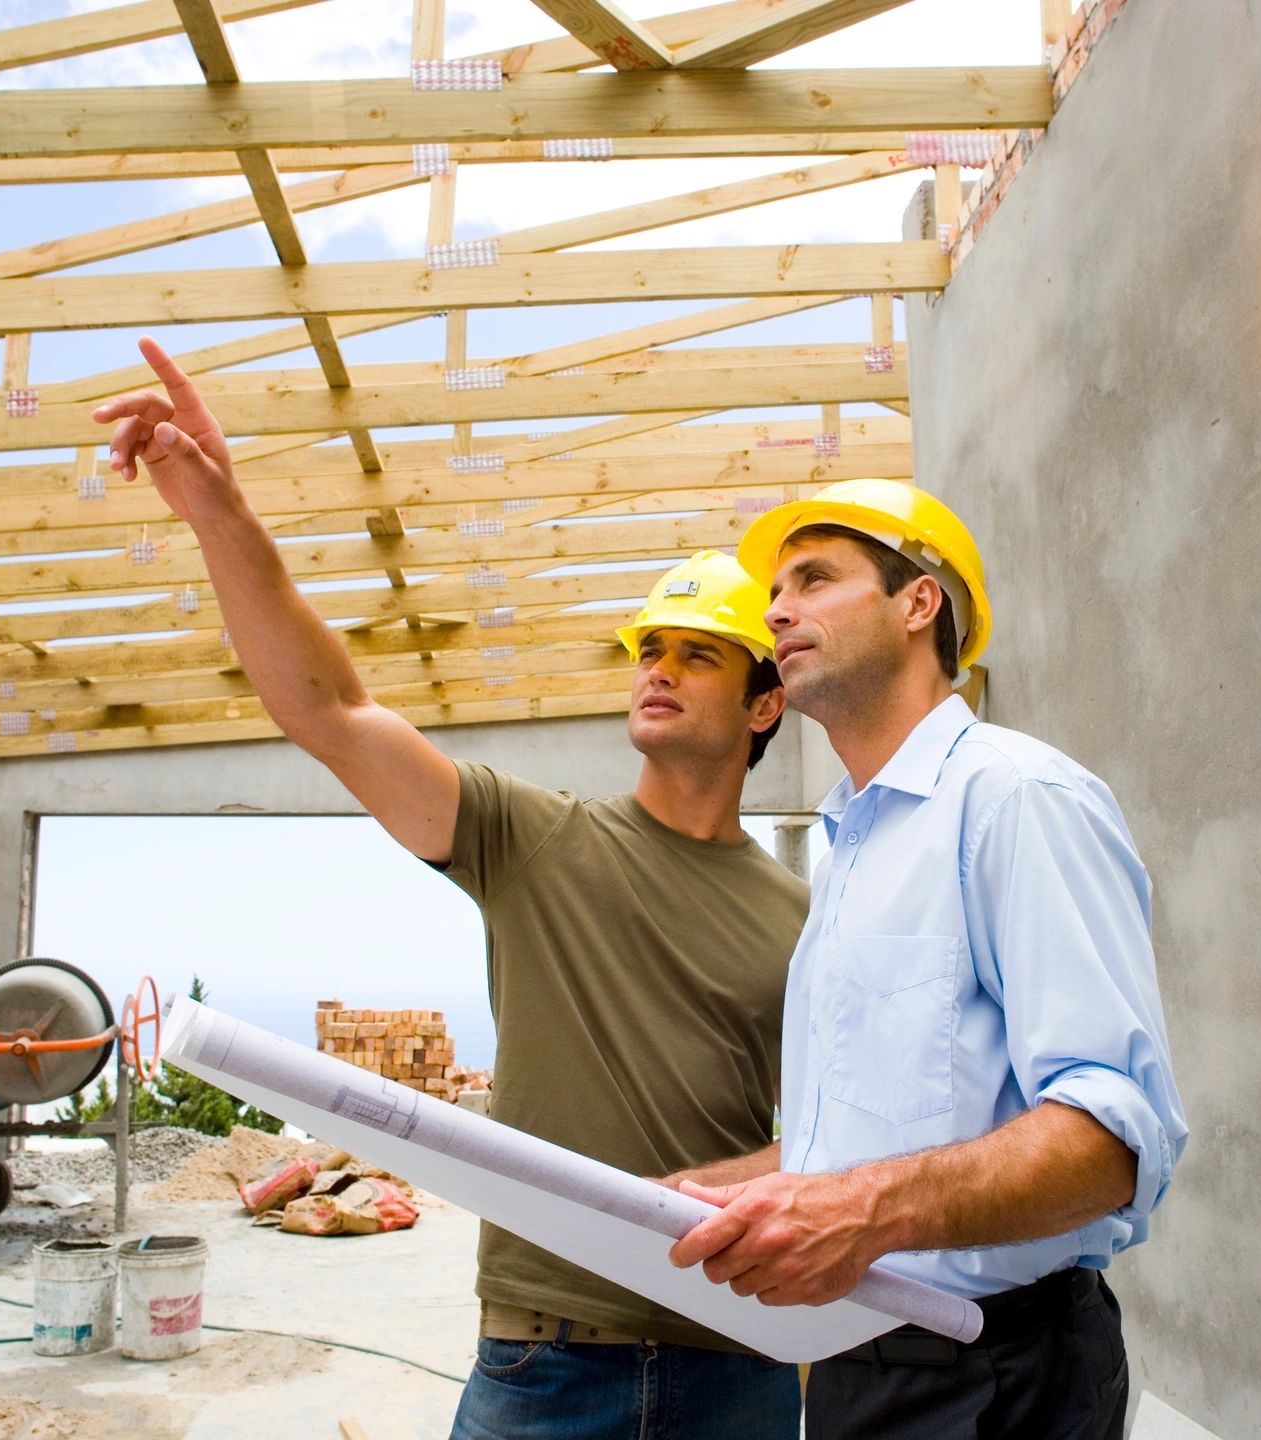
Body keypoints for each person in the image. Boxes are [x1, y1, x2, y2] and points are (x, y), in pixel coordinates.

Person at [95, 338, 809, 1439]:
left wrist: (762, 1177)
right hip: (546, 1364)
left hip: (740, 1364)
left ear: (764, 705)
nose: (656, 667)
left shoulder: (804, 918)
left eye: (699, 654)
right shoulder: (533, 839)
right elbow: (331, 711)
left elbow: (846, 1131)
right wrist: (218, 514)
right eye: (648, 647)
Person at [664, 479, 1187, 1439]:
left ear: (919, 603)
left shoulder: (1015, 799)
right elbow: (886, 1136)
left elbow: (1112, 1138)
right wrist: (716, 1194)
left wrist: (859, 1212)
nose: (777, 609)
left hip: (996, 1382)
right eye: (776, 590)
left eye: (815, 578)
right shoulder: (856, 842)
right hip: (865, 1372)